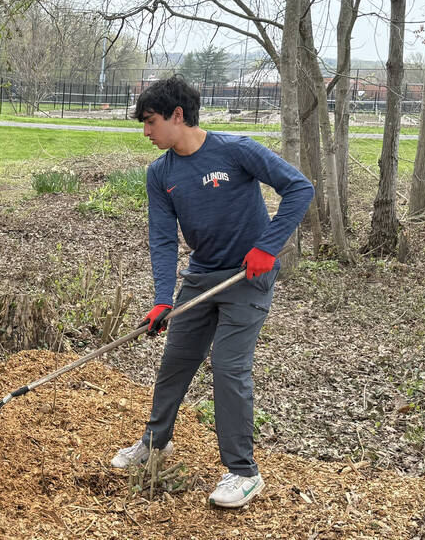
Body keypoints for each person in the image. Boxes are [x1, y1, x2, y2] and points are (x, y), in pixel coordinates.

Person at [112, 76, 313, 509]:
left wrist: (267, 246)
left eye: (150, 122)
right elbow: (163, 239)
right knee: (176, 360)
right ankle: (155, 442)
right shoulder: (160, 173)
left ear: (177, 116)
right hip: (202, 275)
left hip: (246, 277)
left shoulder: (237, 149)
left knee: (228, 366)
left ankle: (243, 472)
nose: (145, 132)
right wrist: (164, 299)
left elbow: (300, 188)